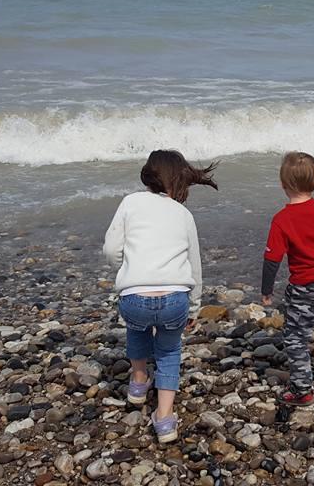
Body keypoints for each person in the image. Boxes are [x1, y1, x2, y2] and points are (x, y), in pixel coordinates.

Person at [103, 149, 218, 443]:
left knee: (136, 326)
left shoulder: (130, 202)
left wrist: (127, 269)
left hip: (135, 297)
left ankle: (138, 382)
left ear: (149, 175)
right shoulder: (183, 214)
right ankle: (165, 419)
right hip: (175, 298)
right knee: (169, 350)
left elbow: (111, 249)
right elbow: (195, 265)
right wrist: (194, 306)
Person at [261, 152, 314, 407]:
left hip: (305, 285)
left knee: (296, 336)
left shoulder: (282, 219)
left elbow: (272, 259)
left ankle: (302, 389)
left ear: (283, 185)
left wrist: (267, 290)